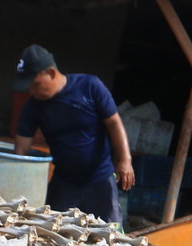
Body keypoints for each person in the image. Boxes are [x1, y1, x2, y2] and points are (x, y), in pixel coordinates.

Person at [12, 44, 134, 224]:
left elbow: (114, 123)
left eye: (35, 85)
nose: (32, 91)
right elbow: (21, 150)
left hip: (100, 179)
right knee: (51, 232)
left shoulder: (90, 86)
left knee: (111, 234)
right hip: (64, 183)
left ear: (51, 73)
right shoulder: (33, 107)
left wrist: (125, 160)